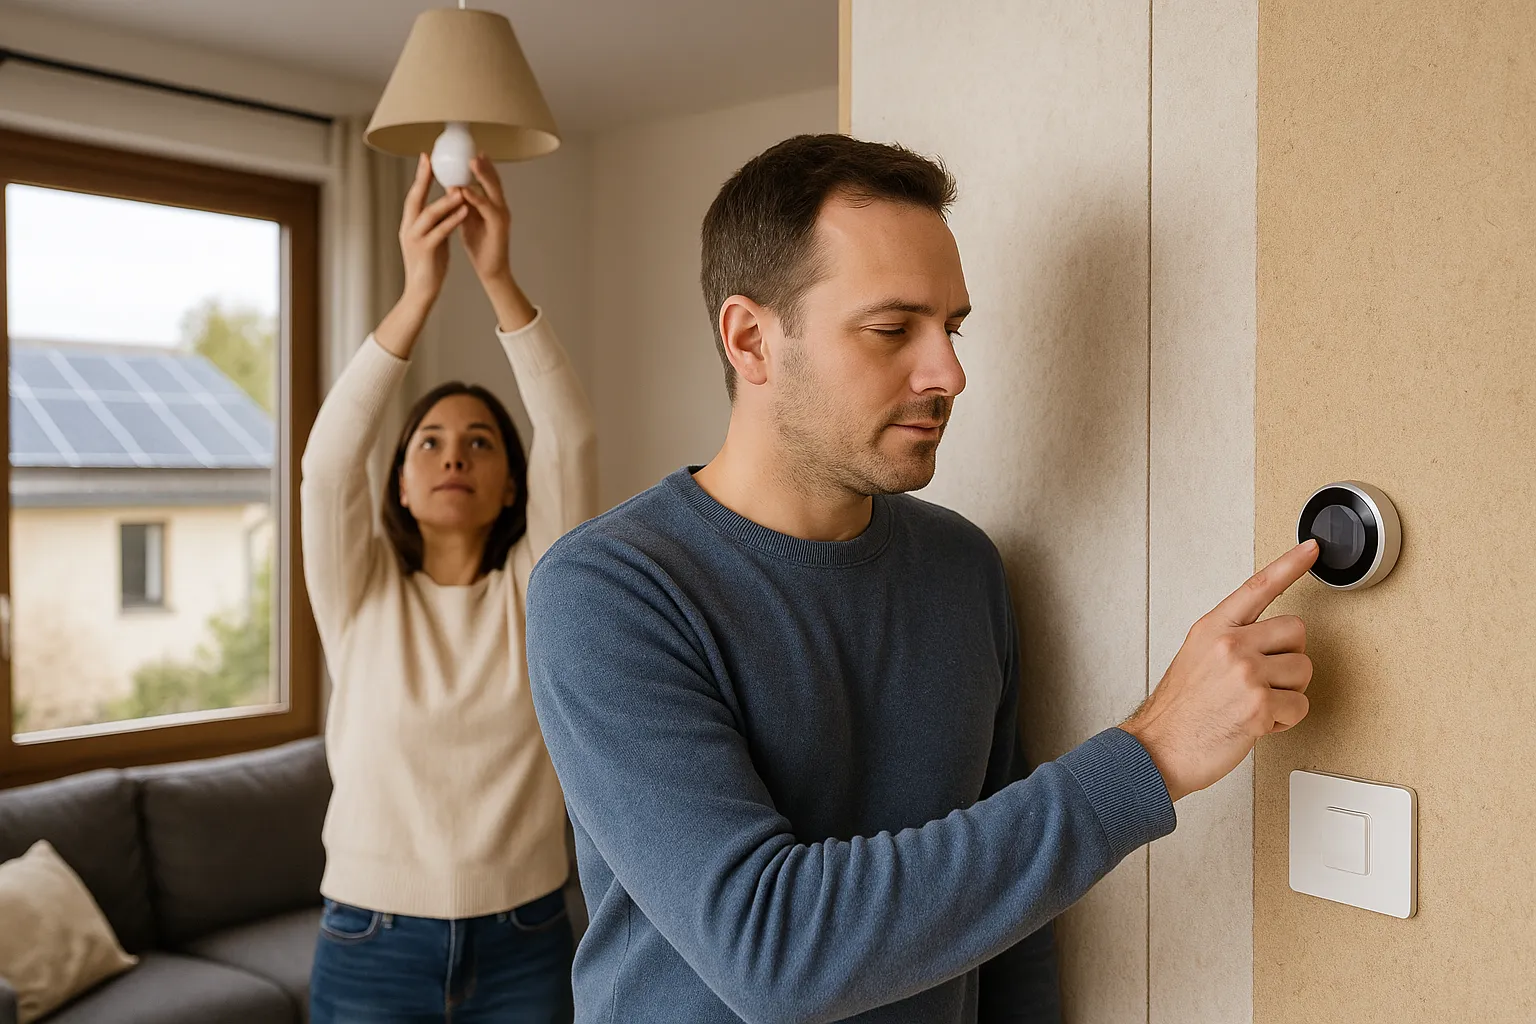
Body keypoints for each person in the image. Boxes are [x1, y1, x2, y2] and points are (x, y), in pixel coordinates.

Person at [524, 134, 1318, 1023]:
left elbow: (1010, 927)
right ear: (751, 339)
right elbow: (774, 951)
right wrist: (1154, 753)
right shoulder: (609, 590)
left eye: (952, 328)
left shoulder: (963, 567)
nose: (948, 373)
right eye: (893, 329)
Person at [302, 152, 595, 1023]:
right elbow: (325, 468)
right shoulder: (360, 602)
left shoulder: (541, 591)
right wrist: (416, 295)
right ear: (396, 483)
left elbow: (570, 436)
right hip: (369, 940)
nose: (453, 454)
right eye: (427, 441)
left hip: (527, 936)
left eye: (479, 442)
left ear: (513, 484)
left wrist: (497, 278)